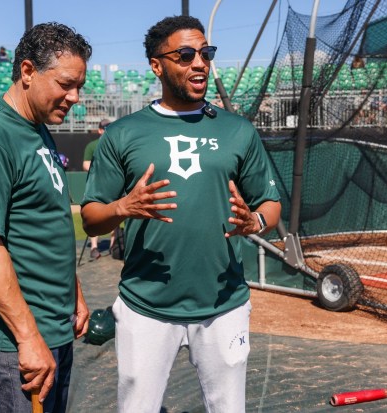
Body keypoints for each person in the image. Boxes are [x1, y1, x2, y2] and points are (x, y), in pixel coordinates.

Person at [80, 15, 281, 413]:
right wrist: (123, 207)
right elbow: (91, 216)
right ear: (157, 65)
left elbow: (270, 204)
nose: (200, 63)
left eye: (206, 53)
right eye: (186, 54)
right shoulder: (123, 133)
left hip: (224, 301)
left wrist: (255, 221)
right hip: (146, 305)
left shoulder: (238, 130)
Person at [0, 22, 91, 413]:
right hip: (12, 348)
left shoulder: (37, 127)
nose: (75, 96)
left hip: (51, 331)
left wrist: (73, 291)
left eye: (79, 85)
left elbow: (44, 224)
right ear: (27, 71)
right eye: (65, 84)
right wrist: (28, 337)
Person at [82, 118, 114, 260]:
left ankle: (114, 245)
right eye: (105, 128)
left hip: (113, 184)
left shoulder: (116, 144)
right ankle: (94, 246)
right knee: (95, 214)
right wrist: (100, 171)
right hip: (96, 184)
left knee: (114, 214)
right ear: (100, 130)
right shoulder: (92, 145)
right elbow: (85, 164)